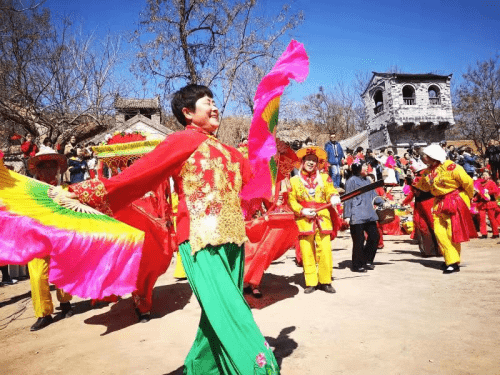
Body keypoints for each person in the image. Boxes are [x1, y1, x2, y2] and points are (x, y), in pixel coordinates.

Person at [65, 84, 279, 374]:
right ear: (188, 112)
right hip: (201, 240)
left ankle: (201, 368)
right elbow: (138, 176)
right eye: (207, 102)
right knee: (232, 310)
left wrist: (267, 133)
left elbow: (256, 186)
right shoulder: (181, 141)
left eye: (215, 101)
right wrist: (83, 192)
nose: (215, 106)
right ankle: (260, 369)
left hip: (233, 242)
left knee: (218, 312)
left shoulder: (230, 152)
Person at [26, 148, 73, 331]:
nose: (48, 170)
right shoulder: (29, 191)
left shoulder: (64, 190)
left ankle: (66, 303)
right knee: (38, 276)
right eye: (43, 167)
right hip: (36, 240)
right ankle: (44, 313)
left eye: (52, 166)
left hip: (59, 238)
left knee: (62, 270)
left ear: (57, 169)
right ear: (37, 170)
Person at [415, 144, 477, 274]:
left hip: (454, 201)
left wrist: (467, 199)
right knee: (439, 233)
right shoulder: (428, 171)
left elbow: (467, 182)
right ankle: (451, 260)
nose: (423, 158)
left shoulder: (452, 167)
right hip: (438, 203)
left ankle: (452, 262)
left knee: (451, 232)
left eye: (425, 155)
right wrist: (413, 182)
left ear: (433, 156)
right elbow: (425, 187)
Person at [288, 146, 341, 294]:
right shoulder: (294, 181)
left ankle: (325, 281)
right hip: (304, 220)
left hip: (322, 218)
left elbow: (331, 190)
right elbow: (291, 201)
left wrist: (334, 196)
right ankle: (311, 282)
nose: (311, 163)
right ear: (302, 162)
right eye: (308, 160)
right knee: (307, 252)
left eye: (314, 161)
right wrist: (302, 210)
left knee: (325, 250)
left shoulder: (324, 178)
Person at [344, 160, 384, 272]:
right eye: (364, 167)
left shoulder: (368, 180)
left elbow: (374, 195)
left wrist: (382, 202)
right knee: (359, 241)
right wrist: (347, 215)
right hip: (356, 214)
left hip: (369, 213)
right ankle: (357, 264)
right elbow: (348, 199)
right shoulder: (351, 181)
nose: (367, 168)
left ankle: (367, 259)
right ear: (358, 169)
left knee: (375, 237)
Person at [402, 160, 440, 257]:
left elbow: (416, 191)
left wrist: (405, 201)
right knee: (426, 226)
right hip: (422, 204)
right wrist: (405, 202)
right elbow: (413, 192)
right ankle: (433, 250)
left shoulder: (424, 176)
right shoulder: (420, 177)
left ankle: (432, 250)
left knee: (427, 226)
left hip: (427, 203)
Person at [474, 170, 499, 239]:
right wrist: (474, 199)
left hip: (490, 203)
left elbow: (496, 190)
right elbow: (479, 194)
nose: (484, 176)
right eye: (483, 175)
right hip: (482, 203)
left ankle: (495, 233)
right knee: (482, 219)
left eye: (485, 175)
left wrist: (488, 192)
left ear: (488, 176)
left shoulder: (491, 183)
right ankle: (484, 234)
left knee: (492, 218)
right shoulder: (480, 184)